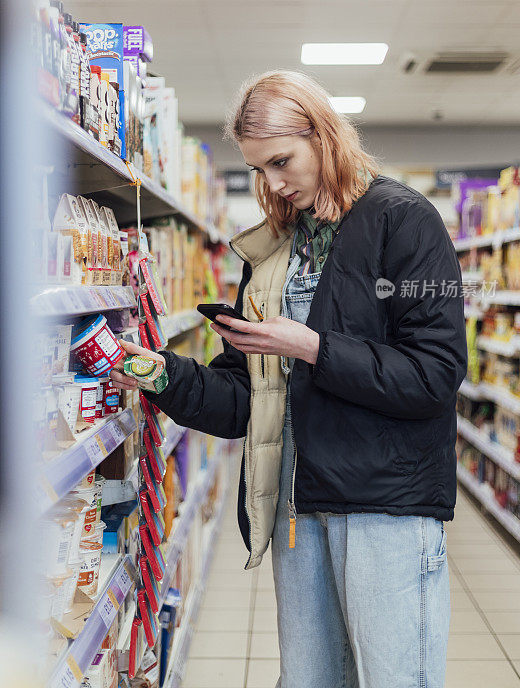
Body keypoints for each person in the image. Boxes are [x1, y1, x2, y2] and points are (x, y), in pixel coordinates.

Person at [111, 70, 468, 688]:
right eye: (258, 169)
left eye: (281, 161)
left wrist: (311, 348)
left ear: (324, 136)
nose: (272, 183)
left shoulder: (405, 221)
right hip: (296, 509)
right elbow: (243, 401)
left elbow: (434, 374)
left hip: (384, 509)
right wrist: (155, 370)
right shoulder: (276, 250)